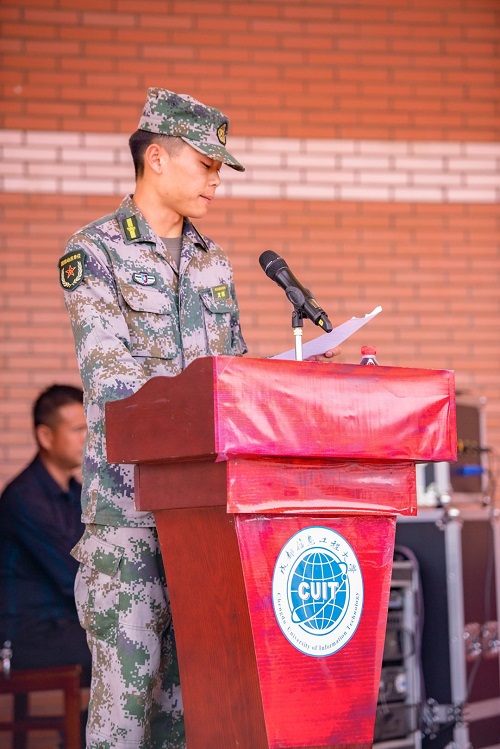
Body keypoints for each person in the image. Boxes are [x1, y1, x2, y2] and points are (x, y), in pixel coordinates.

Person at [58, 87, 339, 749]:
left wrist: (285, 378)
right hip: (128, 516)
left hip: (207, 518)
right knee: (127, 708)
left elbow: (231, 377)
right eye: (207, 163)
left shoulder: (213, 262)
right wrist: (212, 396)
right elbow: (113, 383)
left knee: (194, 712)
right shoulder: (94, 251)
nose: (217, 179)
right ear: (156, 157)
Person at [0, 384, 91, 686]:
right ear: (45, 436)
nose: (87, 437)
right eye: (78, 429)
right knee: (127, 650)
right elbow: (74, 577)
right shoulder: (25, 498)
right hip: (26, 637)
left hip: (65, 625)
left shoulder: (76, 493)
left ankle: (88, 721)